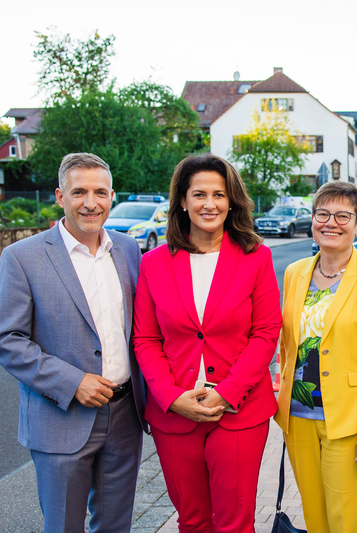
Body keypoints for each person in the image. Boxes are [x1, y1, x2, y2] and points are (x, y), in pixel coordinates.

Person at [0, 153, 147, 533]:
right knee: (63, 526)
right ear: (60, 196)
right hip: (60, 418)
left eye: (99, 192)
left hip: (125, 415)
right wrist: (73, 382)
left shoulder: (128, 251)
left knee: (116, 526)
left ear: (112, 196)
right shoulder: (22, 257)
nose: (90, 203)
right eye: (79, 192)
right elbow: (7, 340)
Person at [134, 154, 282, 532]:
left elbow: (266, 332)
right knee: (192, 520)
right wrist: (170, 396)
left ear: (231, 200)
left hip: (239, 412)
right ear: (182, 201)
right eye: (199, 194)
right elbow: (146, 339)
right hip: (175, 414)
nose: (209, 204)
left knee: (234, 522)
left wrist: (228, 393)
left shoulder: (256, 258)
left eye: (219, 194)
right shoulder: (152, 263)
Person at [275, 181, 357, 533]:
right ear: (313, 220)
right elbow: (288, 347)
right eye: (323, 214)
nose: (331, 222)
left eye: (343, 215)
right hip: (297, 418)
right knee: (315, 520)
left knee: (345, 521)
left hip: (348, 422)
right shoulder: (295, 273)